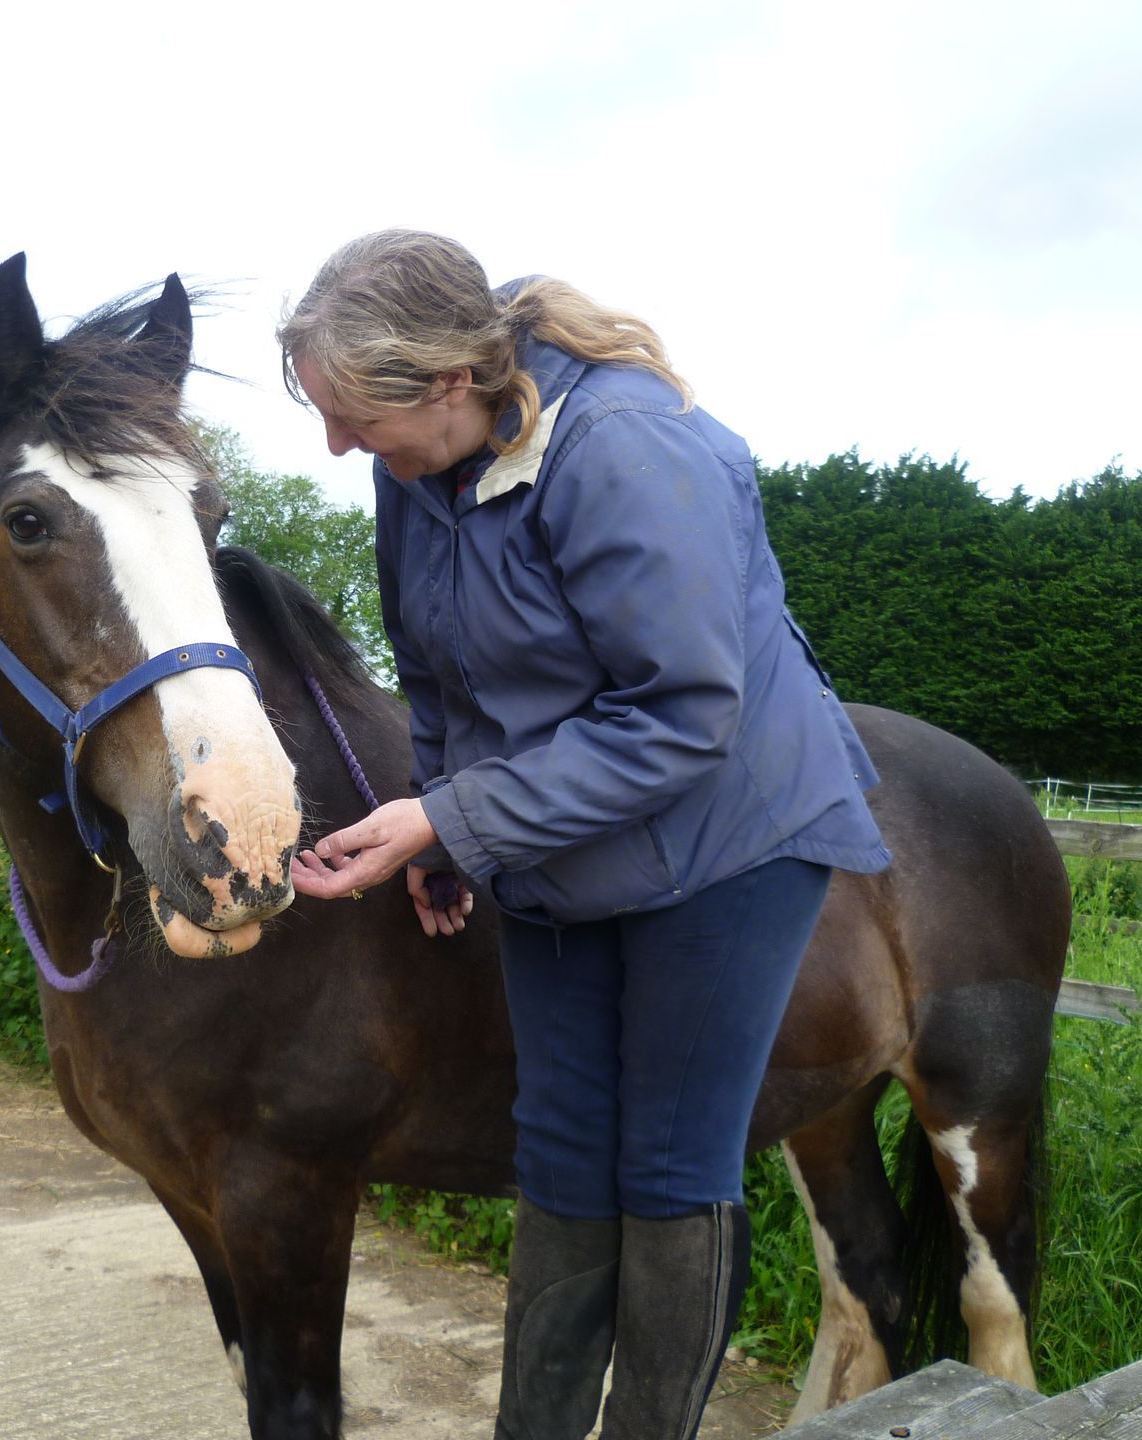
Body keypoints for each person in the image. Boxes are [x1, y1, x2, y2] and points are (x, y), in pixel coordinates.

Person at [279, 231, 891, 1440]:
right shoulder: (416, 472)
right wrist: (452, 834)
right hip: (562, 839)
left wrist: (452, 816)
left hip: (727, 836)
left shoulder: (624, 447)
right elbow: (440, 680)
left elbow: (684, 712)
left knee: (667, 1164)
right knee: (559, 1151)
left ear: (448, 383)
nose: (339, 443)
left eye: (354, 415)